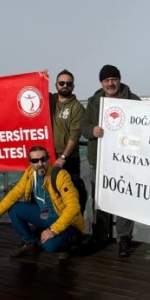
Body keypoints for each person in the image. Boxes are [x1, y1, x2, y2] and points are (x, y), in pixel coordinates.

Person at [81, 64, 142, 257]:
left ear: (119, 80)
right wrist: (92, 131)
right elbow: (83, 127)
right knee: (100, 201)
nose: (110, 83)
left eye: (114, 79)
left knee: (124, 200)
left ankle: (124, 238)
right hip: (100, 161)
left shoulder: (133, 100)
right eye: (106, 80)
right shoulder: (93, 102)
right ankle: (100, 236)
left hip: (125, 161)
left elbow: (146, 124)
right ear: (101, 82)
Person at [0, 145, 85, 262]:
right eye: (35, 160)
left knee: (49, 245)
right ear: (30, 162)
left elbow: (73, 206)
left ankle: (68, 244)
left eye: (43, 159)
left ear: (48, 158)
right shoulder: (30, 174)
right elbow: (14, 195)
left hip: (64, 221)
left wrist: (53, 231)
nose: (40, 163)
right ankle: (30, 243)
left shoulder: (60, 176)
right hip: (45, 215)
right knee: (14, 209)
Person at [50, 70, 87, 215]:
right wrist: (41, 76)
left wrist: (63, 157)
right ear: (56, 85)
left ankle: (75, 231)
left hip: (68, 159)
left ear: (73, 87)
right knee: (52, 196)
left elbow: (75, 135)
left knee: (71, 196)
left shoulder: (77, 107)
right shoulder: (50, 100)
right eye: (61, 83)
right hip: (49, 158)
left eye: (69, 84)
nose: (65, 86)